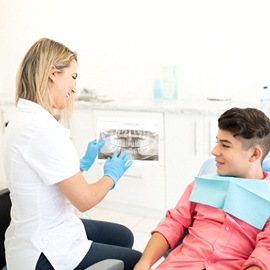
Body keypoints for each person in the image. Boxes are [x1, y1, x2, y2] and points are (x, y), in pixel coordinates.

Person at [2, 38, 142, 270]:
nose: (75, 88)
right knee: (139, 260)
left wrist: (81, 166)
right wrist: (111, 176)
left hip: (34, 233)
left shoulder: (23, 118)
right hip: (45, 252)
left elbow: (49, 178)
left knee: (123, 236)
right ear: (53, 74)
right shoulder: (42, 129)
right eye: (73, 77)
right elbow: (84, 200)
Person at [134, 107, 270, 270]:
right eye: (217, 142)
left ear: (254, 154)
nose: (214, 151)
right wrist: (144, 262)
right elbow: (173, 222)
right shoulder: (201, 185)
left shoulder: (266, 198)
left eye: (225, 145)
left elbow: (265, 253)